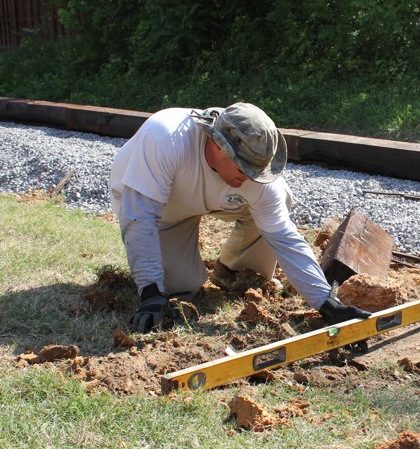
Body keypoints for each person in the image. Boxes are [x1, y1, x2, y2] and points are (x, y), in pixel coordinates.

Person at [109, 103, 370, 332]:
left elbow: (284, 237)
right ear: (218, 145)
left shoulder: (254, 172)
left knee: (279, 197)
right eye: (244, 169)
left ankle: (233, 272)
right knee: (181, 288)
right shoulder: (165, 138)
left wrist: (327, 303)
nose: (250, 177)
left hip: (213, 199)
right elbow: (139, 217)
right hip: (164, 209)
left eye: (257, 171)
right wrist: (151, 293)